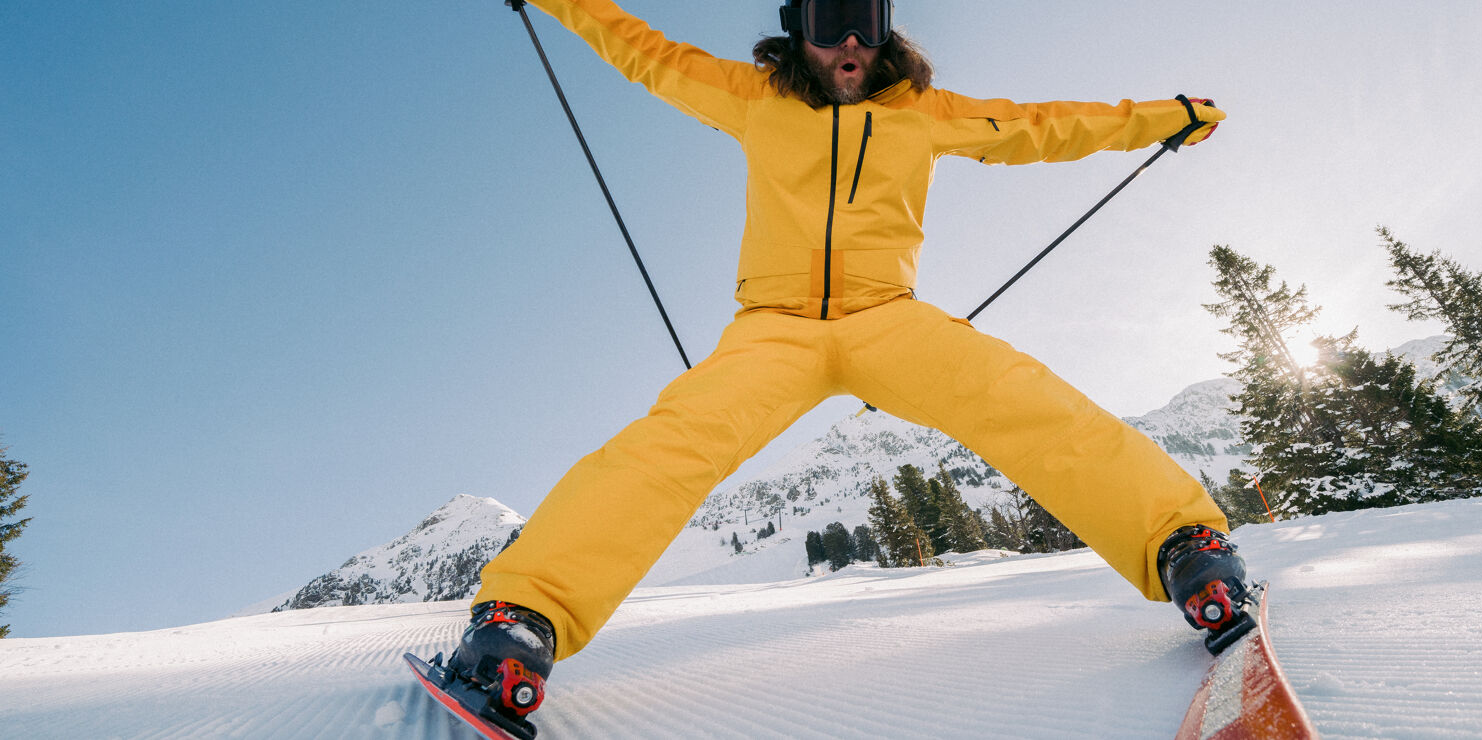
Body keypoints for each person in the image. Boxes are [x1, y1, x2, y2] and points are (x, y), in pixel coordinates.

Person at [448, 0, 1252, 724]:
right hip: (773, 331)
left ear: (888, 25)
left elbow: (1046, 126)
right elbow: (641, 49)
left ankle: (1185, 547)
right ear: (800, 26)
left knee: (1020, 400)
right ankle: (521, 616)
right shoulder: (751, 96)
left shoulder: (924, 113)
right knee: (672, 446)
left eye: (865, 16)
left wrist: (1162, 119)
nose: (850, 42)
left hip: (886, 319)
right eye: (831, 18)